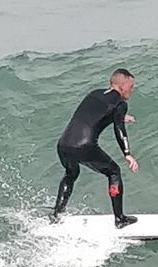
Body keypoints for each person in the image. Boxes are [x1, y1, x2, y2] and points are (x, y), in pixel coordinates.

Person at [51, 68, 140, 228]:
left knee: (71, 174)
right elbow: (119, 129)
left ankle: (57, 214)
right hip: (84, 146)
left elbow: (91, 115)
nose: (131, 90)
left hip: (64, 144)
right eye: (130, 87)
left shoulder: (95, 93)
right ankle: (120, 219)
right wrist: (127, 153)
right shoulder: (120, 103)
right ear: (121, 86)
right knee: (114, 172)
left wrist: (119, 117)